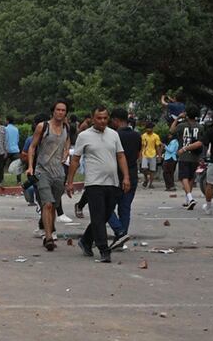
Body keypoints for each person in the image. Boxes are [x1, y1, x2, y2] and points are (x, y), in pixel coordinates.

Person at [66, 106, 129, 263]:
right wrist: (70, 182)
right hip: (94, 183)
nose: (102, 121)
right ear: (93, 119)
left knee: (105, 215)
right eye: (99, 118)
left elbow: (121, 156)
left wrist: (126, 177)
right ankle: (103, 249)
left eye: (105, 118)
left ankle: (86, 241)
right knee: (98, 216)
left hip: (112, 182)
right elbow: (75, 160)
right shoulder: (84, 136)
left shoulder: (114, 134)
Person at [27, 101, 70, 251]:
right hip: (42, 171)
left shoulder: (66, 128)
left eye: (63, 110)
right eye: (58, 109)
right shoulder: (43, 126)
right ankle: (48, 237)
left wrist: (66, 153)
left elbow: (67, 143)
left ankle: (49, 229)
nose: (60, 112)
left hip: (59, 172)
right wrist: (30, 166)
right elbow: (32, 147)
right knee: (47, 204)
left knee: (54, 205)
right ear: (53, 111)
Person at [181, 106, 213, 216]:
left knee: (210, 185)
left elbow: (200, 143)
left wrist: (185, 148)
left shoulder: (211, 131)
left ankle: (208, 206)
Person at [107, 108, 141, 249]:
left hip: (116, 175)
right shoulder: (137, 135)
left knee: (105, 207)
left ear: (116, 120)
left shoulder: (113, 135)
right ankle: (121, 239)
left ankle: (119, 231)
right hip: (132, 175)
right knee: (125, 208)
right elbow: (138, 154)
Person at [170, 106, 203, 209]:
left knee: (183, 177)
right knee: (191, 177)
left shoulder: (181, 126)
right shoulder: (200, 127)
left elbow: (171, 130)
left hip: (184, 155)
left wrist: (177, 118)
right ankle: (187, 199)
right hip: (195, 156)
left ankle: (190, 198)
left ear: (186, 115)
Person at [139, 122, 162, 188]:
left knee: (152, 170)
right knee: (144, 168)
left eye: (150, 128)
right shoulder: (143, 136)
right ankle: (146, 179)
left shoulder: (156, 136)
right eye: (147, 128)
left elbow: (157, 147)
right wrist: (140, 156)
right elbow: (141, 146)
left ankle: (151, 184)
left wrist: (159, 156)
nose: (148, 130)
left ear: (152, 129)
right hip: (145, 154)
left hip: (153, 154)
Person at [5, 116, 22, 182]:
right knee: (18, 166)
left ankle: (0, 180)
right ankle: (19, 181)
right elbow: (17, 139)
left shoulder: (5, 129)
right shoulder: (16, 129)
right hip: (15, 150)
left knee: (1, 165)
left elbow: (5, 139)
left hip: (7, 150)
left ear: (7, 121)